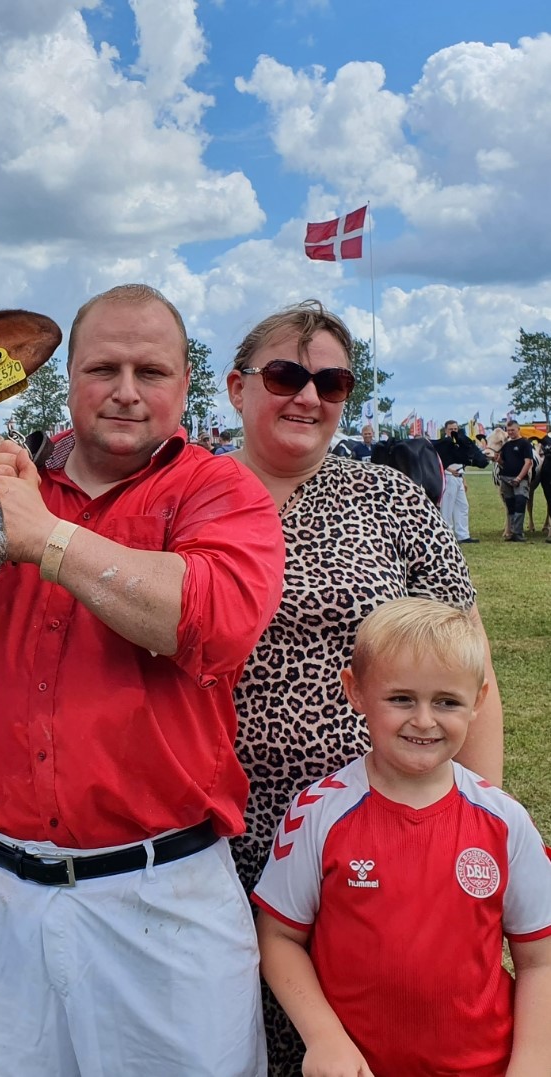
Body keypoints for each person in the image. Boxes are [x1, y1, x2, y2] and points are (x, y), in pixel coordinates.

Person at [0, 284, 286, 1076]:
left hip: (161, 892)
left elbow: (212, 617)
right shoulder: (1, 489)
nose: (126, 391)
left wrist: (44, 537)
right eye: (103, 368)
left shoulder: (218, 489)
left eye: (150, 370)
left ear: (185, 380)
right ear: (68, 378)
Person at [223, 299, 504, 1075]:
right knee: (229, 1037)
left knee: (361, 1035)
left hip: (380, 829)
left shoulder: (388, 500)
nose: (307, 396)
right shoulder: (186, 499)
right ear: (234, 387)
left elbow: (468, 667)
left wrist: (469, 825)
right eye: (284, 374)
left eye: (331, 381)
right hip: (209, 835)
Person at [254, 598, 551, 1076]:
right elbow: (279, 936)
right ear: (356, 691)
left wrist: (534, 1063)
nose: (424, 720)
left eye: (447, 701)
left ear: (478, 700)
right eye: (401, 699)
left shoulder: (505, 822)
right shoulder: (318, 813)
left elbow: (540, 960)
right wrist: (325, 1039)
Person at [433, 418, 482, 543]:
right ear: (446, 430)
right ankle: (446, 534)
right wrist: (448, 469)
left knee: (463, 506)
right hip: (448, 477)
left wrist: (463, 479)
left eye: (455, 429)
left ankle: (463, 535)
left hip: (459, 476)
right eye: (451, 429)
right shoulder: (443, 443)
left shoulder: (459, 443)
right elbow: (437, 460)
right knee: (447, 508)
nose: (453, 431)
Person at [496, 419, 535, 542]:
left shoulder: (525, 443)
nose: (510, 432)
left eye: (513, 430)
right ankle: (512, 532)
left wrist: (519, 478)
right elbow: (504, 463)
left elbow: (528, 462)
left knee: (520, 503)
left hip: (520, 479)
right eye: (508, 430)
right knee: (510, 505)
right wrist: (498, 460)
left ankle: (518, 532)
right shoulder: (506, 445)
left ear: (518, 429)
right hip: (506, 478)